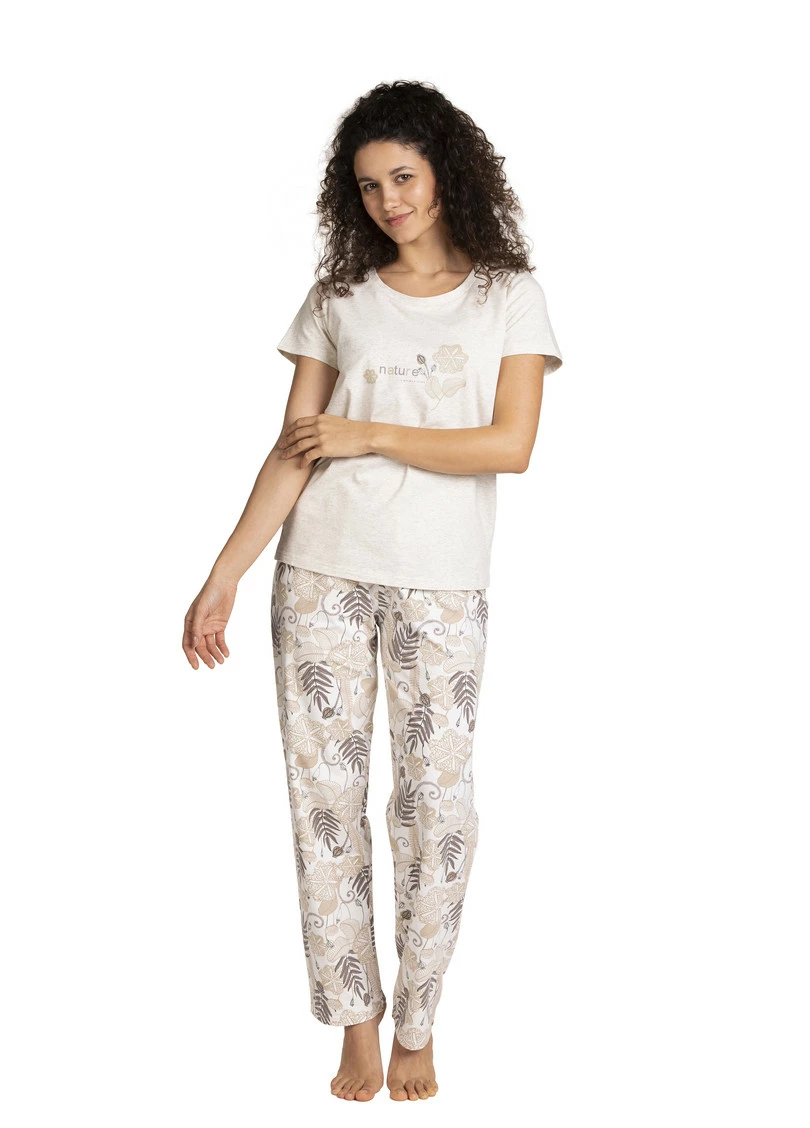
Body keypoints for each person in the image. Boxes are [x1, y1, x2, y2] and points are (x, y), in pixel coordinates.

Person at [183, 79, 563, 1102]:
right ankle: (356, 1019)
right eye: (367, 185)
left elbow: (511, 445)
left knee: (438, 807)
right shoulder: (338, 299)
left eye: (403, 176)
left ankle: (419, 1020)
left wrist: (371, 432)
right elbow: (294, 449)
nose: (388, 200)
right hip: (320, 571)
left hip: (443, 582)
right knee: (325, 805)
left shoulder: (508, 295)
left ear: (446, 172)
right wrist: (224, 573)